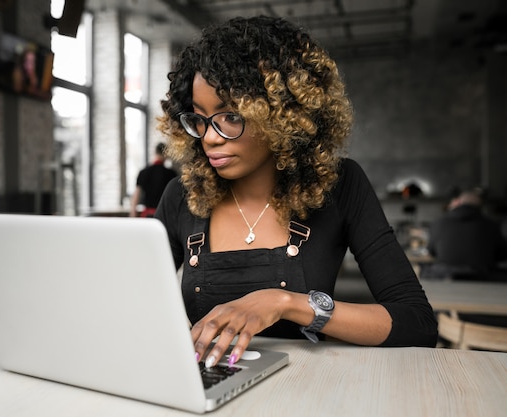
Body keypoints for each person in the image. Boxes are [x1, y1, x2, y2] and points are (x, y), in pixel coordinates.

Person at [154, 15, 438, 368]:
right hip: (209, 386)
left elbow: (418, 324)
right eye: (199, 118)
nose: (210, 136)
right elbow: (136, 301)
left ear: (282, 115)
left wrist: (286, 303)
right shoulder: (181, 197)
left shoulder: (341, 185)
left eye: (230, 117)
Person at [424, 188, 507, 280]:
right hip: (481, 280)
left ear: (458, 202)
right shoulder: (491, 224)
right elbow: (501, 255)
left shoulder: (437, 223)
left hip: (445, 277)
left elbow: (432, 251)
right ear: (480, 206)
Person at [129, 142, 177, 218]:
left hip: (148, 216)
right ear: (166, 154)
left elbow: (136, 196)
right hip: (164, 217)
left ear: (155, 153)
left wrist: (133, 215)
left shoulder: (144, 172)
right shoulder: (171, 174)